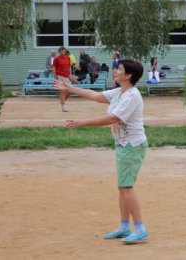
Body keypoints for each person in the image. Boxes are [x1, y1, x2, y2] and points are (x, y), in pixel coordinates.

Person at [54, 59, 149, 244]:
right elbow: (95, 95)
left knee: (126, 187)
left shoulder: (131, 95)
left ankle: (140, 228)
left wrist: (82, 122)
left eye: (119, 68)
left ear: (128, 75)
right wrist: (71, 88)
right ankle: (124, 226)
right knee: (123, 187)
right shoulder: (119, 92)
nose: (115, 70)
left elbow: (112, 118)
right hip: (123, 144)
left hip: (132, 146)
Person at [52, 46, 76, 112]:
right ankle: (63, 107)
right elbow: (53, 68)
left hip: (67, 77)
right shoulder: (56, 59)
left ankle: (62, 101)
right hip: (60, 76)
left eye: (63, 50)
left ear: (65, 51)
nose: (62, 52)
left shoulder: (68, 58)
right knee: (63, 92)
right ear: (59, 52)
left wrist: (70, 75)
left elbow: (69, 67)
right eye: (61, 51)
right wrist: (55, 77)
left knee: (71, 91)